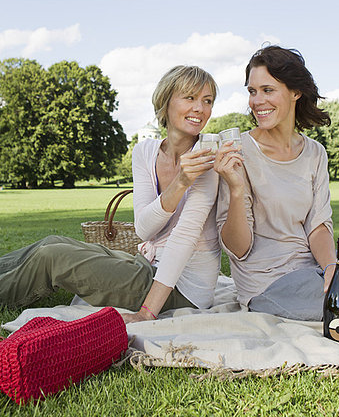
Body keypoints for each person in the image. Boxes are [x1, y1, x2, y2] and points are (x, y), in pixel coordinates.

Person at [0, 65, 221, 323]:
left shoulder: (208, 157)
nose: (200, 109)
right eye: (190, 97)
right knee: (51, 242)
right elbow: (144, 229)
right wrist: (181, 182)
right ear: (166, 102)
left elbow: (184, 238)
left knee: (53, 258)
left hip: (182, 288)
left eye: (207, 101)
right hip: (148, 264)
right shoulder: (145, 151)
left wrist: (146, 313)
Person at [214, 45, 339, 322]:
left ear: (295, 92)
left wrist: (331, 270)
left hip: (315, 265)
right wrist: (236, 189)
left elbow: (318, 226)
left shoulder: (314, 152)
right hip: (272, 286)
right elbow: (238, 248)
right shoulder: (236, 149)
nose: (256, 101)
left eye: (268, 90)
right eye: (252, 91)